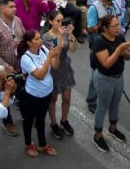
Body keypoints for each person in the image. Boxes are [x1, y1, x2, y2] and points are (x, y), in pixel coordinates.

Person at [18, 29, 61, 157]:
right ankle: (28, 144)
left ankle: (42, 145)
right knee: (29, 121)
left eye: (40, 37)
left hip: (46, 93)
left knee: (41, 119)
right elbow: (40, 75)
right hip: (32, 95)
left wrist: (56, 54)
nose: (40, 40)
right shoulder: (26, 58)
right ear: (29, 43)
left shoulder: (42, 49)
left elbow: (55, 66)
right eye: (37, 39)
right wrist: (49, 57)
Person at [91, 15, 130, 153]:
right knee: (102, 107)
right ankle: (97, 135)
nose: (118, 28)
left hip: (118, 77)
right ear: (105, 28)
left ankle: (113, 128)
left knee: (115, 103)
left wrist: (125, 51)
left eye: (118, 24)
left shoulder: (119, 37)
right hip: (104, 78)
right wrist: (119, 50)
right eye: (114, 26)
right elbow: (106, 63)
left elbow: (129, 56)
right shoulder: (99, 41)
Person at [42, 10, 77, 140]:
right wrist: (62, 36)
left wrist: (71, 35)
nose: (61, 23)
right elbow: (56, 53)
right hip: (53, 69)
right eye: (58, 21)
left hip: (66, 68)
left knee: (67, 98)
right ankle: (54, 122)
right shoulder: (46, 37)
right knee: (53, 99)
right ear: (50, 22)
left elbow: (72, 50)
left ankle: (64, 120)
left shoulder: (65, 33)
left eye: (63, 20)